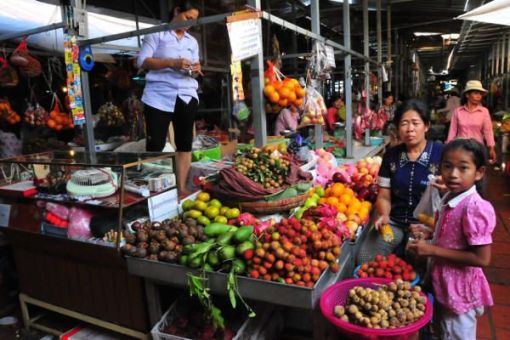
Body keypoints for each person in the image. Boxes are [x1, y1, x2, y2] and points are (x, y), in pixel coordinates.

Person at [407, 139, 495, 340]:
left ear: (479, 173)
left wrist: (431, 250)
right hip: (444, 285)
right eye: (447, 166)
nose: (453, 174)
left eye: (463, 168)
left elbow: (482, 259)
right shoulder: (450, 196)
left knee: (455, 332)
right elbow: (453, 233)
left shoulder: (475, 208)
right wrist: (430, 232)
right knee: (442, 331)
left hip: (459, 292)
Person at [357, 99, 444, 264]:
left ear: (426, 126)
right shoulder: (391, 156)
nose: (410, 129)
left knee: (420, 263)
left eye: (415, 123)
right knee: (365, 259)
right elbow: (384, 196)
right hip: (394, 223)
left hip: (427, 226)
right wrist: (383, 215)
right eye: (404, 123)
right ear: (398, 128)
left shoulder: (441, 153)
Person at [137, 0, 201, 197]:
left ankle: (181, 188)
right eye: (187, 17)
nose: (189, 23)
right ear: (176, 11)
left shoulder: (192, 42)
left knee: (184, 143)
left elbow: (195, 71)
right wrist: (172, 62)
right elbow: (142, 61)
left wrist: (196, 70)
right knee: (155, 144)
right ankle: (155, 192)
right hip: (158, 96)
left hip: (186, 95)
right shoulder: (156, 33)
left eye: (193, 20)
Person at [447, 80, 496, 164]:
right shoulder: (458, 111)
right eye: (476, 93)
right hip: (460, 148)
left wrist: (491, 148)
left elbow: (488, 131)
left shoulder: (484, 112)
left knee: (476, 174)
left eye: (480, 94)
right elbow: (453, 131)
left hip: (477, 149)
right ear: (467, 95)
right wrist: (448, 146)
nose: (479, 96)